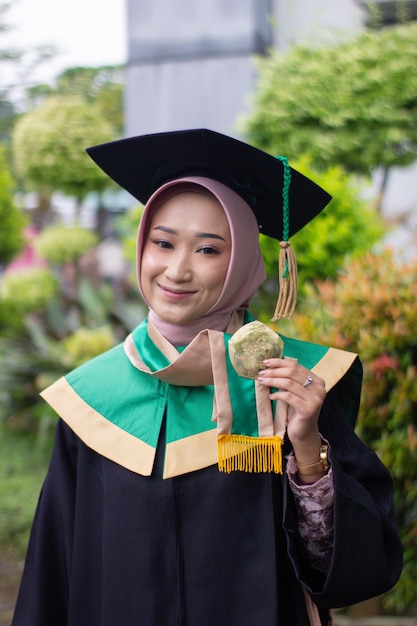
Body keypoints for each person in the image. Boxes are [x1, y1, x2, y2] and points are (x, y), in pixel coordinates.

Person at [12, 129, 402, 626]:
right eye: (163, 242)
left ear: (241, 263)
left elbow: (354, 573)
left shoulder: (298, 387)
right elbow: (53, 576)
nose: (176, 271)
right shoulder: (91, 401)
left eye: (208, 250)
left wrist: (308, 452)